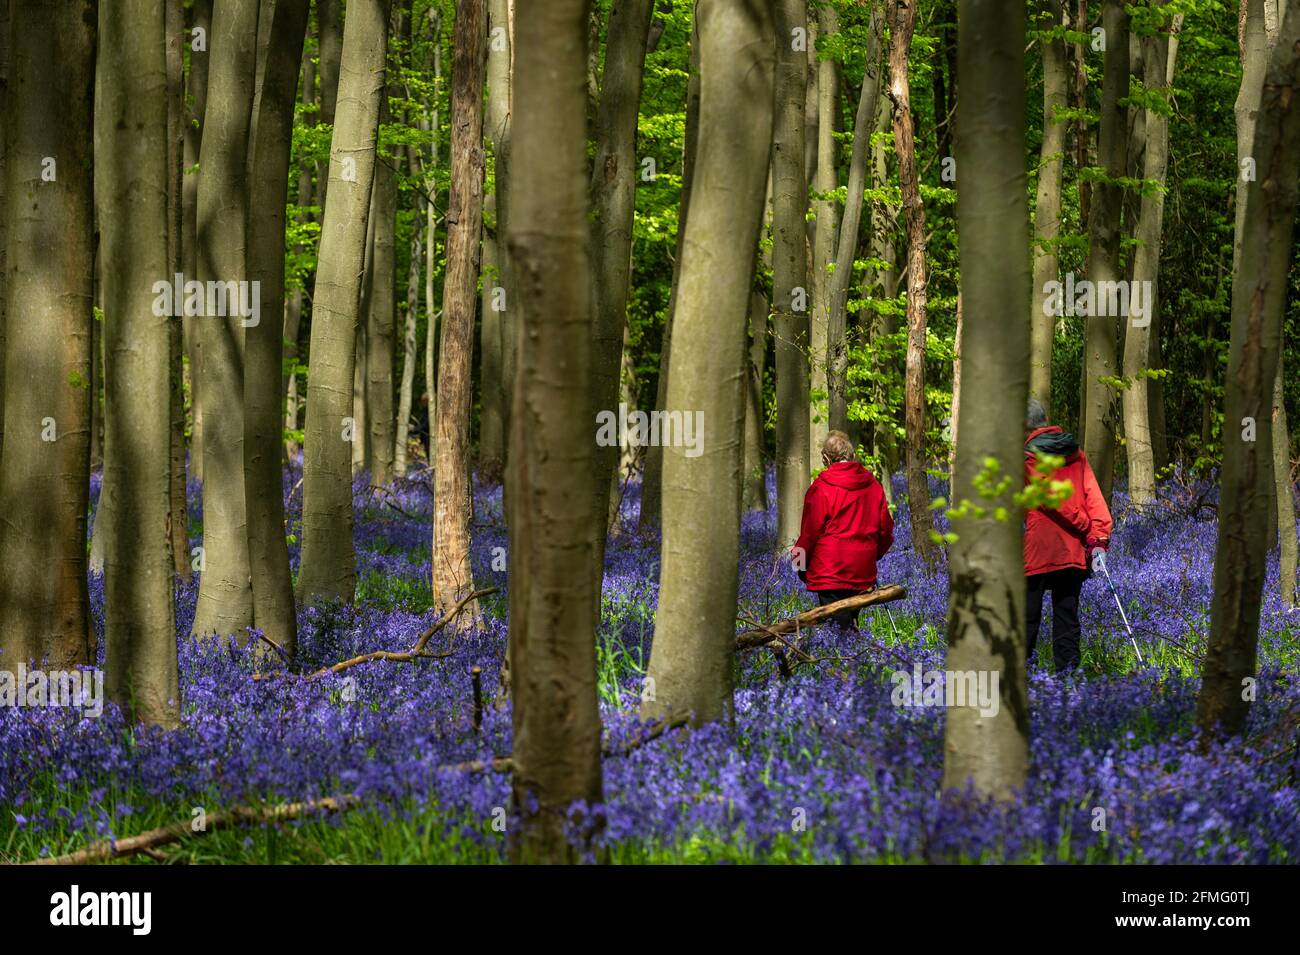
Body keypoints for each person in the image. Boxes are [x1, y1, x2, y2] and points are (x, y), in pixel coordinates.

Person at [1023, 398, 1113, 672]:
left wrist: (1088, 528)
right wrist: (1099, 537)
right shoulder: (1077, 454)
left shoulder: (1027, 458)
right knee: (1067, 616)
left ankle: (1018, 680)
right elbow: (1095, 499)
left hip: (1039, 551)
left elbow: (1050, 497)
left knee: (1026, 618)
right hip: (1073, 552)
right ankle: (1069, 679)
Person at [792, 431, 894, 630]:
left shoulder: (820, 488)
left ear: (826, 458)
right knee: (849, 623)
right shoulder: (873, 485)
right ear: (852, 456)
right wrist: (870, 556)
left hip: (829, 573)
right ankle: (854, 655)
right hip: (862, 571)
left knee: (837, 629)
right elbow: (886, 531)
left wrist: (797, 564)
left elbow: (808, 535)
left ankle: (843, 658)